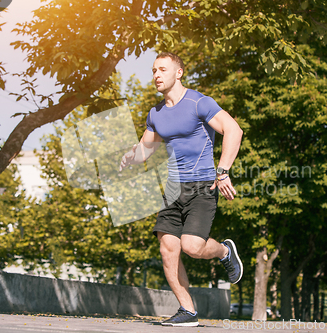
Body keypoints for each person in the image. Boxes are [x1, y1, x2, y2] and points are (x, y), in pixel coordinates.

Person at [120, 52, 243, 327]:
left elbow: (233, 130)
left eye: (162, 69)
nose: (156, 75)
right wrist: (131, 155)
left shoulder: (198, 102)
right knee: (168, 248)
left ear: (179, 72)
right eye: (153, 70)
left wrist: (222, 171)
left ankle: (223, 251)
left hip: (202, 186)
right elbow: (145, 149)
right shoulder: (156, 113)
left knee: (191, 246)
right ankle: (187, 311)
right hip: (174, 188)